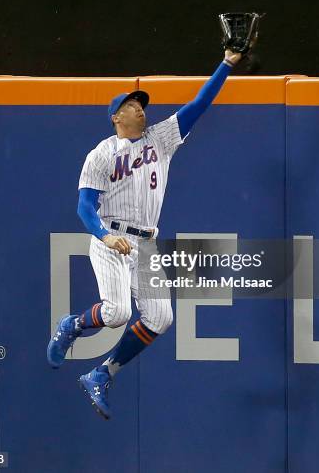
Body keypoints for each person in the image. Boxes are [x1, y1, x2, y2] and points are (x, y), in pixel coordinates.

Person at [47, 48, 243, 419]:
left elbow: (200, 105)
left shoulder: (161, 139)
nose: (139, 107)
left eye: (141, 103)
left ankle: (102, 373)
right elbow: (85, 206)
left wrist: (226, 64)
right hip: (112, 240)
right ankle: (70, 325)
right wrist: (104, 236)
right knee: (118, 311)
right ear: (116, 117)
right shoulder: (102, 154)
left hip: (146, 241)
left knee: (160, 319)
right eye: (131, 104)